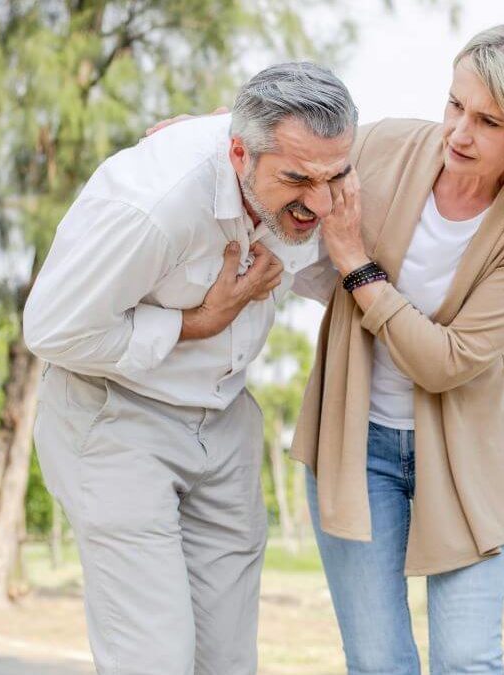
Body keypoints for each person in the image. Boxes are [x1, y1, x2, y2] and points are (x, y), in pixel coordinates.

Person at [24, 62, 357, 674]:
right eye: (297, 180)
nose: (319, 201)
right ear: (238, 153)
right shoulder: (151, 204)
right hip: (116, 421)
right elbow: (51, 328)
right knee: (154, 658)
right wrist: (195, 323)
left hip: (224, 422)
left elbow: (327, 256)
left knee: (227, 662)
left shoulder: (307, 169)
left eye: (334, 176)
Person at [299, 24, 504, 674]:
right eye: (455, 104)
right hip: (355, 446)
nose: (458, 131)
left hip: (464, 460)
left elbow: (445, 360)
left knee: (466, 660)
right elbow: (295, 142)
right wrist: (205, 130)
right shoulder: (389, 143)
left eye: (487, 120)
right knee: (378, 662)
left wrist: (354, 264)